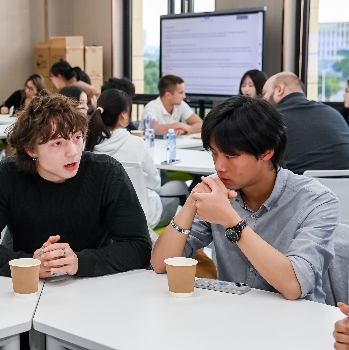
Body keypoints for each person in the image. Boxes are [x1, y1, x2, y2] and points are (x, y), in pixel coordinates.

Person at [151, 96, 338, 303]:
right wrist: (191, 203)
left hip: (299, 319)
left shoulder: (316, 201)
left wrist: (231, 221)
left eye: (230, 156)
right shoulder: (217, 192)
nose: (219, 166)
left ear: (266, 153)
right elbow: (161, 264)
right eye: (214, 153)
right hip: (233, 313)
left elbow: (294, 286)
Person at [0, 91, 151, 278]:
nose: (73, 152)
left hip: (94, 285)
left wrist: (80, 262)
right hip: (28, 288)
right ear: (31, 149)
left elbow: (139, 246)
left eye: (77, 137)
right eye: (57, 143)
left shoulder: (107, 173)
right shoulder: (7, 175)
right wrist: (29, 264)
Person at [85, 88, 188, 229]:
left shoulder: (86, 144)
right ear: (123, 116)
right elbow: (155, 185)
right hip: (142, 218)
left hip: (101, 220)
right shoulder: (136, 144)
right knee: (181, 189)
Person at [262, 71, 349, 174]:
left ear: (280, 89)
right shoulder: (333, 113)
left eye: (264, 93)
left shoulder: (271, 119)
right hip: (344, 183)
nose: (263, 99)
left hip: (297, 182)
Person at [138, 74, 202, 135]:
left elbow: (201, 124)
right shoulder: (151, 107)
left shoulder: (180, 104)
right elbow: (151, 128)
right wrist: (178, 125)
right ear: (168, 95)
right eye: (180, 93)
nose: (184, 96)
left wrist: (186, 129)